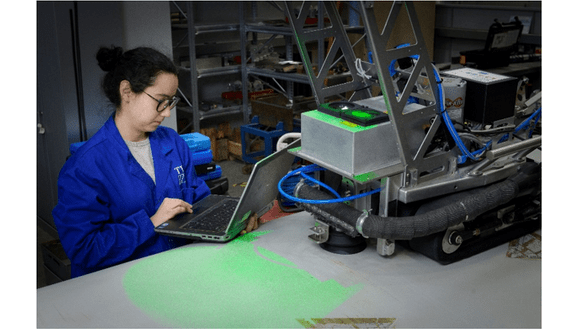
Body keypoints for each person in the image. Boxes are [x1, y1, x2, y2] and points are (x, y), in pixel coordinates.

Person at [52, 46, 212, 278]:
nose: (167, 113)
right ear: (126, 91)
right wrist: (151, 222)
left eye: (171, 102)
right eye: (160, 101)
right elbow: (85, 249)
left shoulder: (173, 143)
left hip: (179, 271)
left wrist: (233, 218)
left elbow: (200, 199)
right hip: (122, 284)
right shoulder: (85, 167)